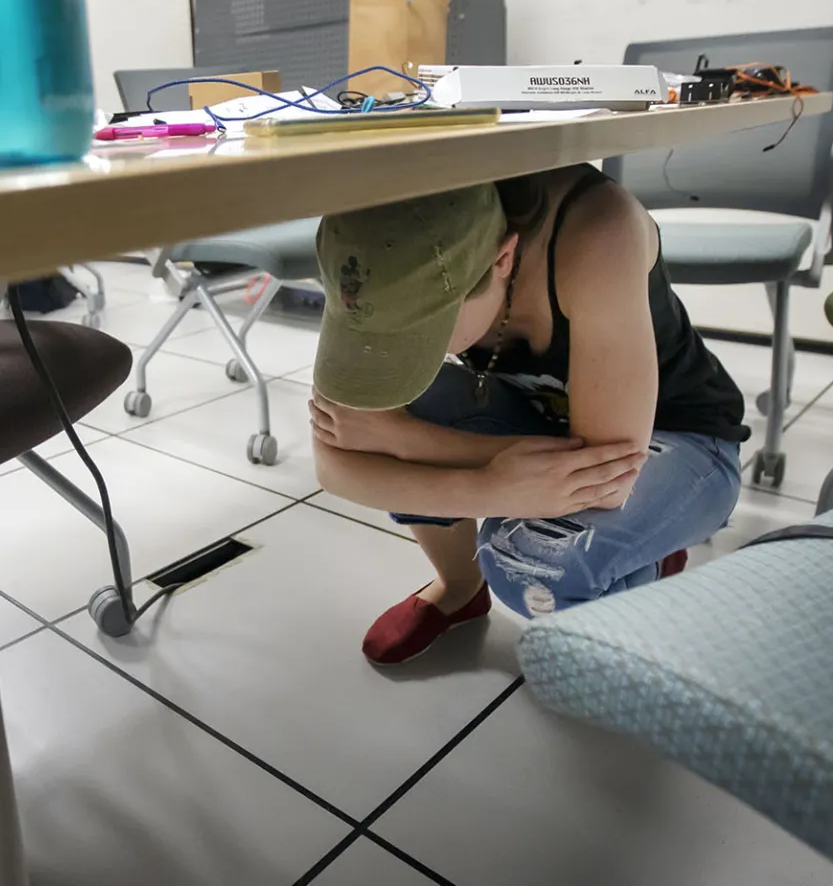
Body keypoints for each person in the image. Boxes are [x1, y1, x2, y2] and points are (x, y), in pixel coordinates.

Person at [308, 166, 751, 664]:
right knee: (395, 412)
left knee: (529, 559)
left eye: (420, 335)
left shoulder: (598, 229)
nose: (395, 353)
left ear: (502, 258)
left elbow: (609, 476)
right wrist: (492, 485)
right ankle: (460, 586)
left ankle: (639, 578)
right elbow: (335, 464)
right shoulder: (380, 248)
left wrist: (414, 443)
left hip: (680, 440)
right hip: (555, 426)